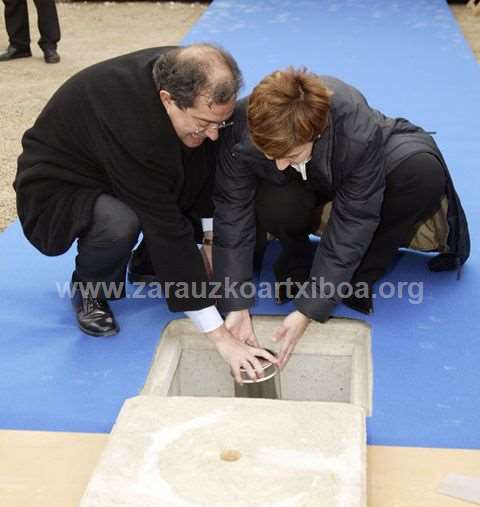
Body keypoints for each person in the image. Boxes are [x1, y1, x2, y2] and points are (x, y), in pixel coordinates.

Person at [13, 44, 276, 381]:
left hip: (125, 165)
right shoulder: (132, 122)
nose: (212, 134)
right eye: (203, 123)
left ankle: (144, 263)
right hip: (64, 180)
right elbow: (165, 226)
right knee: (120, 221)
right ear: (168, 99)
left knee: (193, 158)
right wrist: (220, 337)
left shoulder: (190, 78)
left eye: (219, 124)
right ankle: (92, 288)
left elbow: (207, 171)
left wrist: (212, 240)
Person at [213, 68, 470, 368]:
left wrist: (310, 309)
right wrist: (236, 304)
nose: (280, 165)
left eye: (290, 156)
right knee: (275, 199)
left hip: (358, 164)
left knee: (422, 173)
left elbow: (355, 218)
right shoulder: (244, 125)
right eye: (271, 155)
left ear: (315, 133)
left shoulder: (357, 130)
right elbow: (232, 213)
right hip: (306, 180)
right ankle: (295, 261)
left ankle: (355, 280)